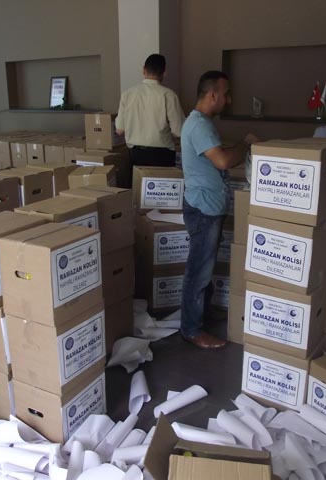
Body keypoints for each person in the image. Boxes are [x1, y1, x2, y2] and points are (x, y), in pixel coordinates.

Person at [180, 71, 247, 349]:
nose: (228, 100)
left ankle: (201, 316)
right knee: (198, 271)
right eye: (226, 94)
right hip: (203, 210)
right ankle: (192, 329)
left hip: (208, 206)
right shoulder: (199, 125)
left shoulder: (203, 123)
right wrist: (245, 145)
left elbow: (217, 155)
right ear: (212, 95)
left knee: (204, 269)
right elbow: (222, 161)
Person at [115, 54, 185, 172]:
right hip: (162, 156)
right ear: (164, 73)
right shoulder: (168, 95)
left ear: (144, 70)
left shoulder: (127, 94)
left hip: (135, 156)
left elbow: (119, 130)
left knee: (138, 184)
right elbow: (179, 131)